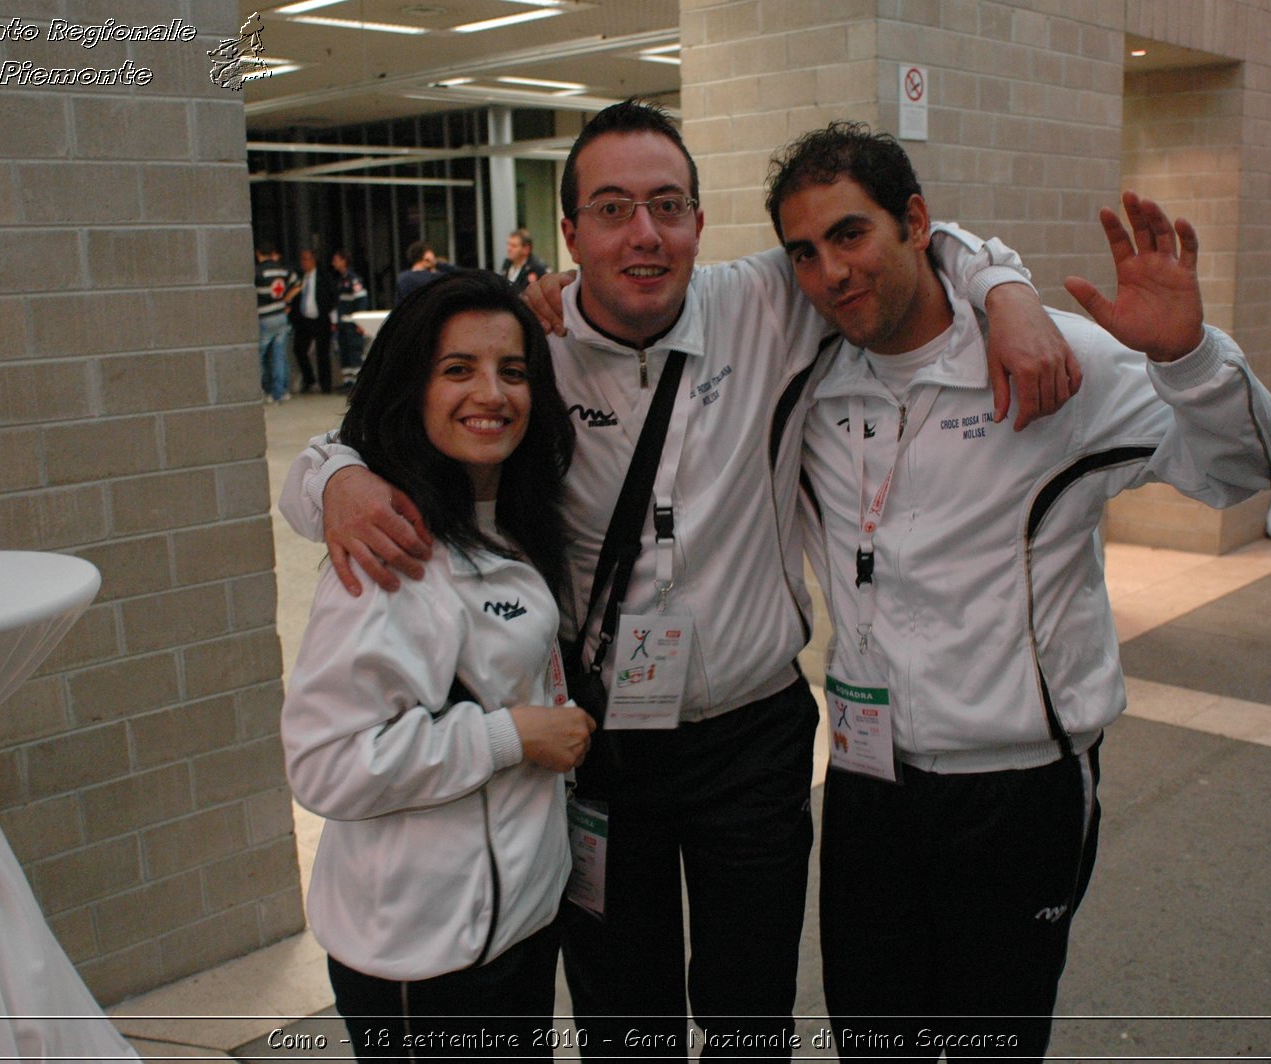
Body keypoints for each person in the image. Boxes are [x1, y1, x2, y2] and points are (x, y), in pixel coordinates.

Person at [279, 100, 1076, 1059]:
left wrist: (1007, 291)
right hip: (602, 745)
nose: (644, 234)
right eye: (612, 210)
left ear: (702, 221)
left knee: (751, 1011)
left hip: (753, 739)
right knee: (625, 1013)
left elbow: (907, 239)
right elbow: (378, 428)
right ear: (570, 233)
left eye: (667, 205)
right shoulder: (529, 347)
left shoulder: (767, 301)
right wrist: (336, 478)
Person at [764, 122, 1271, 1060]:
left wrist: (1188, 359)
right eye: (804, 252)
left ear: (916, 222)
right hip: (864, 783)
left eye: (851, 235)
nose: (831, 272)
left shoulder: (1053, 361)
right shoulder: (808, 381)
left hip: (1018, 792)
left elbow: (1247, 467)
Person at [279, 270, 596, 1062]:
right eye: (458, 369)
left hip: (513, 932)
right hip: (426, 960)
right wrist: (510, 737)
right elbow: (325, 763)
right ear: (410, 384)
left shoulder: (510, 515)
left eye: (512, 371)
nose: (490, 393)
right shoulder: (391, 549)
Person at [290, 247, 337, 393]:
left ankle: (325, 384)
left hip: (320, 318)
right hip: (304, 320)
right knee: (299, 350)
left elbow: (333, 296)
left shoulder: (324, 277)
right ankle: (309, 379)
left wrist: (330, 315)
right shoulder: (298, 277)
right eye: (302, 259)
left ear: (313, 260)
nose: (303, 263)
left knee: (322, 353)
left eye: (306, 259)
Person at [253, 242, 293, 404]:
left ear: (258, 253)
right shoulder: (282, 270)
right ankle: (280, 392)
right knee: (279, 355)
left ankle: (262, 389)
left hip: (264, 317)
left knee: (259, 356)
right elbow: (297, 283)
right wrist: (286, 301)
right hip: (281, 315)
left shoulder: (258, 272)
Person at [331, 249, 369, 391]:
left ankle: (357, 383)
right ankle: (348, 381)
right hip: (343, 323)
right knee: (345, 353)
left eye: (336, 259)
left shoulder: (353, 279)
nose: (333, 263)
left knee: (354, 352)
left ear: (344, 261)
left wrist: (360, 321)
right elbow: (338, 303)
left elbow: (362, 300)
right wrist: (335, 322)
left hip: (352, 324)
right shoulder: (341, 280)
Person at [396, 240, 457, 305]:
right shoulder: (435, 278)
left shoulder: (402, 278)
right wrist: (436, 263)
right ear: (427, 256)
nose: (434, 257)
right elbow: (460, 273)